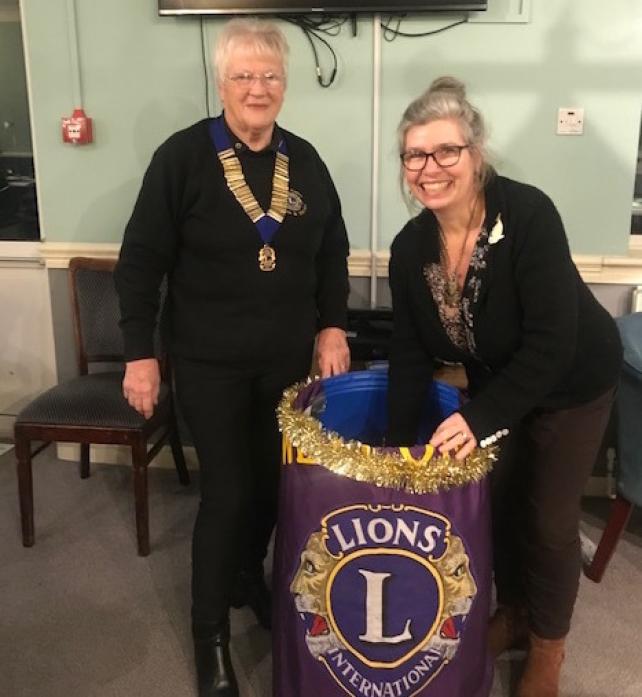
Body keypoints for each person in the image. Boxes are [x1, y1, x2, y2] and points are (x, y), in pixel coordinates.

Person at [114, 19, 350, 697]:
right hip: (209, 363)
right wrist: (139, 354)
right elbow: (140, 263)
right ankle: (209, 635)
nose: (258, 87)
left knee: (278, 488)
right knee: (229, 492)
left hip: (285, 368)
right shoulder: (183, 157)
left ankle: (250, 573)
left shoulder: (303, 159)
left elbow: (331, 248)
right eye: (244, 75)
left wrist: (332, 326)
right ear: (222, 83)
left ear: (285, 85)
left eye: (270, 75)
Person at [386, 76, 621, 697]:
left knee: (547, 519)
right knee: (499, 502)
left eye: (445, 152)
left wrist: (478, 416)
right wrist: (393, 445)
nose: (429, 168)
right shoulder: (410, 248)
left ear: (476, 153)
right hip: (503, 384)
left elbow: (552, 344)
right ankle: (514, 613)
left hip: (573, 380)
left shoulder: (529, 214)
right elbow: (409, 353)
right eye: (415, 155)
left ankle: (548, 649)